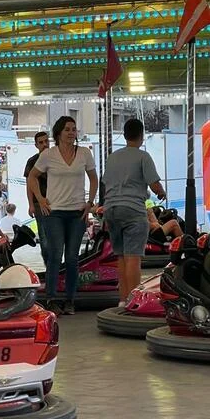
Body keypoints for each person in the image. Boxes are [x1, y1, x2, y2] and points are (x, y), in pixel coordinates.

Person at [29, 116, 99, 316]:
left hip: (77, 212)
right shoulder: (48, 155)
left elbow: (94, 178)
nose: (71, 133)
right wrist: (40, 199)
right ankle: (51, 298)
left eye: (74, 129)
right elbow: (32, 177)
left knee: (71, 258)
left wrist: (90, 203)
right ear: (59, 132)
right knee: (54, 255)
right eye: (67, 129)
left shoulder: (84, 153)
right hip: (55, 212)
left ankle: (70, 299)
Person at [95, 118, 165, 309]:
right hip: (133, 210)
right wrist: (161, 192)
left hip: (111, 210)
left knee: (121, 257)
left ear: (125, 135)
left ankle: (122, 300)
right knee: (133, 257)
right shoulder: (143, 156)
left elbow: (106, 183)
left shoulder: (113, 157)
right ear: (141, 135)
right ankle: (133, 302)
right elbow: (154, 184)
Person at [24, 131, 51, 265]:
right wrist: (31, 204)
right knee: (44, 237)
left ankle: (55, 265)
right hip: (39, 203)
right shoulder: (32, 161)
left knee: (56, 236)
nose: (44, 144)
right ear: (36, 145)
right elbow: (29, 184)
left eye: (46, 141)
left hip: (56, 202)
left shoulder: (56, 158)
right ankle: (49, 264)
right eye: (41, 142)